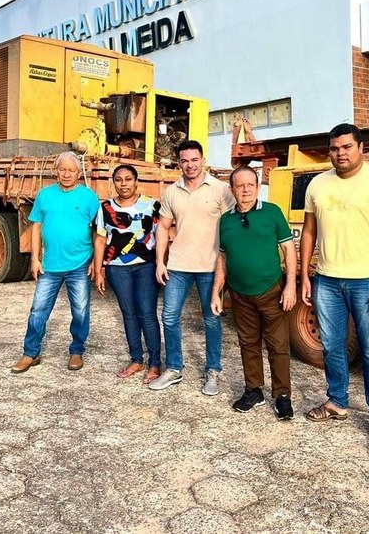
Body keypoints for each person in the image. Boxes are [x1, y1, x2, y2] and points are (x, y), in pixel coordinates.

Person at [300, 123, 369, 441]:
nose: (340, 153)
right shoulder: (317, 184)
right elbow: (309, 232)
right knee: (332, 347)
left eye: (346, 147)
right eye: (334, 148)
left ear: (360, 148)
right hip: (327, 279)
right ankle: (337, 402)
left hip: (366, 281)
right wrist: (305, 275)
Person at [150, 140, 235, 394]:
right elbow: (162, 228)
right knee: (169, 317)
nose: (190, 165)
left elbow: (232, 227)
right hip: (178, 265)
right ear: (179, 163)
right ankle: (174, 368)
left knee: (212, 319)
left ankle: (213, 370)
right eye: (185, 161)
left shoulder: (221, 190)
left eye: (194, 160)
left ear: (203, 160)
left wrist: (227, 264)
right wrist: (160, 262)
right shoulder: (171, 192)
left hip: (211, 266)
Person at [212, 165, 297, 420]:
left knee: (278, 345)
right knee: (248, 343)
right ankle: (254, 390)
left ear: (258, 188)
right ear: (232, 189)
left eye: (251, 185)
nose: (246, 190)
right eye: (240, 185)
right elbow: (222, 258)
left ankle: (282, 396)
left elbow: (289, 250)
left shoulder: (272, 212)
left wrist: (290, 285)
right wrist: (217, 292)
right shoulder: (225, 220)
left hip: (271, 291)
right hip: (239, 294)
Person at [11, 151, 99, 373]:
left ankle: (77, 350)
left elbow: (98, 232)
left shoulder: (89, 197)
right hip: (49, 265)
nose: (66, 174)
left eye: (71, 170)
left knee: (80, 310)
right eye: (62, 169)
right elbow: (36, 226)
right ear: (56, 171)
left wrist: (96, 262)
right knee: (38, 309)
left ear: (78, 173)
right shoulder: (45, 195)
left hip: (80, 263)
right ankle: (30, 353)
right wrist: (35, 258)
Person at [94, 164, 162, 385]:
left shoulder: (152, 205)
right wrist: (99, 270)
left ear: (136, 181)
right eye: (119, 180)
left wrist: (163, 264)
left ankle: (155, 363)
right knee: (128, 312)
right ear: (113, 182)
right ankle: (136, 360)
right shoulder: (105, 208)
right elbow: (101, 240)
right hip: (117, 267)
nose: (123, 184)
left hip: (146, 266)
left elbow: (162, 236)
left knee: (147, 313)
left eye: (128, 179)